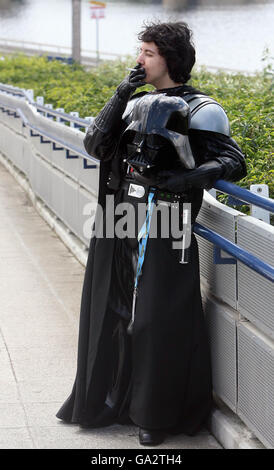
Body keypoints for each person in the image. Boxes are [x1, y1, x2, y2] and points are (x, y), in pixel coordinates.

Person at [56, 21, 246, 446]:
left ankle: (154, 414)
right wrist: (123, 91)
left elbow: (233, 161)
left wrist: (190, 179)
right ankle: (112, 399)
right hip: (120, 216)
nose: (139, 59)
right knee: (113, 311)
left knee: (156, 319)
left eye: (147, 52)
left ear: (169, 58)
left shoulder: (204, 109)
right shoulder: (134, 102)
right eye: (139, 50)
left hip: (169, 222)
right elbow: (96, 144)